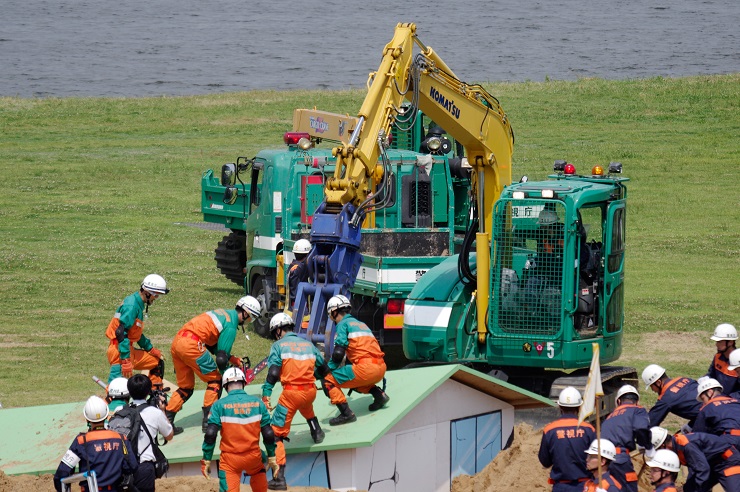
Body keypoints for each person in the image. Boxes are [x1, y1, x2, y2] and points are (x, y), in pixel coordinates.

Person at [165, 295, 261, 435]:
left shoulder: (224, 314)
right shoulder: (231, 325)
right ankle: (209, 421)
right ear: (246, 313)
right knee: (215, 380)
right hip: (193, 345)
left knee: (186, 387)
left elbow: (213, 345)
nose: (249, 322)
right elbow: (221, 360)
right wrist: (229, 376)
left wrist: (233, 359)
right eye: (251, 318)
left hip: (178, 342)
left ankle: (167, 421)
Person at [261, 312, 328, 490]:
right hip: (310, 391)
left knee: (275, 435)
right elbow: (323, 368)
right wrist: (328, 385)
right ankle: (317, 432)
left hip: (291, 394)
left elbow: (274, 373)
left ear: (279, 330)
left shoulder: (278, 346)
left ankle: (278, 478)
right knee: (306, 407)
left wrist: (266, 393)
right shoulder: (309, 345)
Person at [202, 367, 277, 492]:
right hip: (253, 457)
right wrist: (272, 456)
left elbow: (210, 434)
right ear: (243, 383)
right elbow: (268, 433)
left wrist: (206, 459)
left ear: (225, 386)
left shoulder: (218, 405)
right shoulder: (258, 403)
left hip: (230, 460)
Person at [321, 294, 390, 426]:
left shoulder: (342, 324)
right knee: (355, 379)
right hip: (381, 368)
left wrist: (327, 370)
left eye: (331, 314)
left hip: (366, 369)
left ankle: (346, 414)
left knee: (327, 380)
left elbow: (338, 353)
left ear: (334, 312)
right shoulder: (361, 324)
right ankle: (379, 395)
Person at [54, 396, 138, 492]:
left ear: (87, 419)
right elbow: (132, 466)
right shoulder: (120, 438)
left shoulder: (81, 440)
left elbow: (62, 472)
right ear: (107, 416)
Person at [105, 274, 169, 388]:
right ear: (148, 292)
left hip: (127, 350)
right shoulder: (132, 306)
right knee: (116, 389)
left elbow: (135, 333)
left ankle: (154, 398)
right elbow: (120, 332)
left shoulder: (137, 303)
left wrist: (150, 349)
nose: (156, 298)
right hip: (119, 352)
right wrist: (125, 360)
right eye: (156, 295)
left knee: (157, 362)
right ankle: (110, 402)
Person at [537, 386, 595, 491]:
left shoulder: (550, 430)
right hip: (585, 486)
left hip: (561, 487)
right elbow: (597, 459)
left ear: (560, 406)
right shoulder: (589, 429)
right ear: (579, 407)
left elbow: (545, 461)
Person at [651, 425, 740, 492]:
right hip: (710, 464)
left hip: (728, 461)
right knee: (689, 489)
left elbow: (702, 469)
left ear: (663, 445)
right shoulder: (676, 447)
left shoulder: (686, 446)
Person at [600, 384, 654, 492]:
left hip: (603, 461)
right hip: (620, 459)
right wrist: (647, 446)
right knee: (629, 487)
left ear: (619, 401)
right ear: (637, 401)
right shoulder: (637, 410)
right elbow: (641, 428)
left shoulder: (609, 417)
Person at [126, 374, 174, 492]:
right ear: (148, 391)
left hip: (124, 467)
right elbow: (169, 435)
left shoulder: (121, 411)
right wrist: (162, 410)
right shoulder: (155, 413)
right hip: (144, 468)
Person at [642, 363, 701, 429]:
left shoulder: (666, 398)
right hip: (711, 408)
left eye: (651, 386)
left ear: (658, 382)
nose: (652, 390)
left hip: (708, 419)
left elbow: (649, 423)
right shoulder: (685, 379)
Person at [694, 377, 740, 447]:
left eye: (703, 399)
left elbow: (697, 436)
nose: (704, 403)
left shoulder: (707, 408)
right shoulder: (736, 401)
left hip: (731, 441)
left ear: (710, 392)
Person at [705, 323, 740, 397]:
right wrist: (705, 380)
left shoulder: (738, 362)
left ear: (730, 342)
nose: (716, 344)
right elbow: (712, 375)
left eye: (720, 342)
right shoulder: (717, 357)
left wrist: (726, 398)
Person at [287, 239, 311, 310]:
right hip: (300, 303)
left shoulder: (293, 265)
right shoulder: (301, 268)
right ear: (307, 254)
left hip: (293, 302)